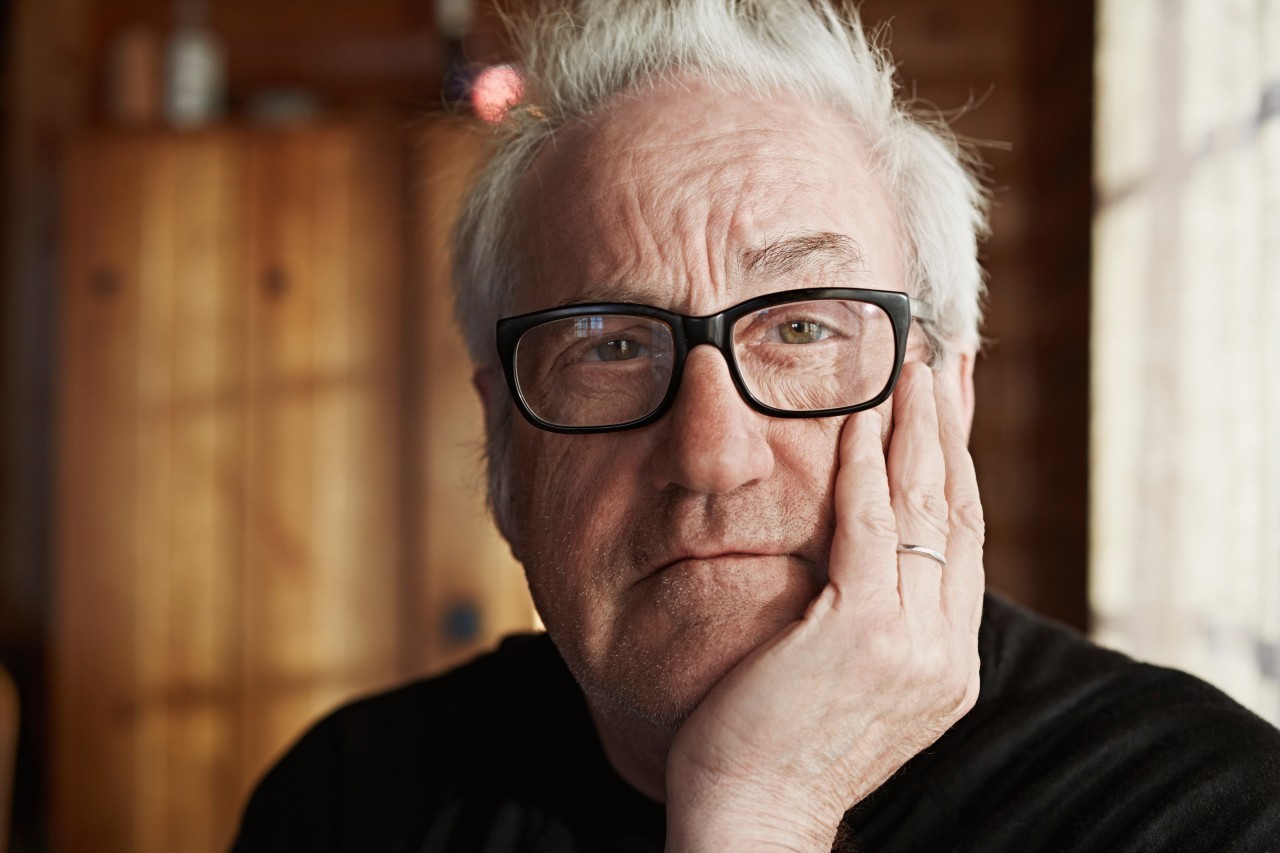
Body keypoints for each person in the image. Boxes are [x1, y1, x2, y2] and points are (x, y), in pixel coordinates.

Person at [233, 1, 1280, 850]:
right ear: (503, 446)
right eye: (608, 345)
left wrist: (757, 810)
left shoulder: (1208, 811)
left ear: (944, 398)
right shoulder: (350, 800)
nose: (710, 454)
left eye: (800, 326)